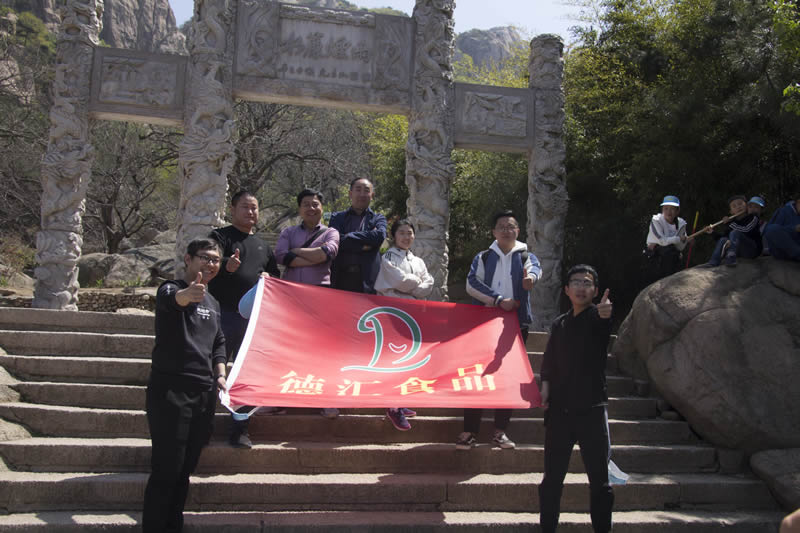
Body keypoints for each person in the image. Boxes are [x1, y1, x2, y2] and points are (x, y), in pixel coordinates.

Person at [142, 239, 227, 533]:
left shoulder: (214, 303)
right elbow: (172, 300)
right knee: (167, 469)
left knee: (185, 470)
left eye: (215, 260)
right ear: (188, 259)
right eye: (205, 257)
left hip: (204, 392)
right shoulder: (170, 288)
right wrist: (187, 295)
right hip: (170, 390)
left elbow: (218, 342)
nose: (211, 264)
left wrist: (220, 374)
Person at [538, 264, 614, 533]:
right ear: (567, 290)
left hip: (592, 410)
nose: (581, 287)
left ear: (595, 290)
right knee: (551, 480)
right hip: (560, 412)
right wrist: (545, 387)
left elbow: (604, 325)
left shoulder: (597, 317)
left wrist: (606, 314)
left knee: (600, 482)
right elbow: (549, 361)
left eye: (587, 282)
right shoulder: (559, 323)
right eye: (576, 282)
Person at [458, 210, 542, 450]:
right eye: (502, 226)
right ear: (494, 232)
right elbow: (472, 283)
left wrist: (530, 279)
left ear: (518, 231)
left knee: (509, 377)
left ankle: (500, 431)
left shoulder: (526, 256)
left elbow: (536, 270)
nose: (507, 230)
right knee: (476, 374)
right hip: (484, 323)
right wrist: (498, 300)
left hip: (516, 324)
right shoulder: (484, 257)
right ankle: (469, 431)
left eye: (511, 226)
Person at [208, 190, 280, 449]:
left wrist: (270, 279)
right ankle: (202, 423)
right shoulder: (219, 237)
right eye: (245, 207)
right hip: (222, 313)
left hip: (252, 320)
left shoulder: (263, 245)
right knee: (212, 369)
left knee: (246, 374)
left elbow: (275, 276)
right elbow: (207, 263)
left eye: (254, 208)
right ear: (232, 209)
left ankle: (240, 429)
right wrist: (225, 264)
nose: (251, 212)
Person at [274, 188, 340, 418]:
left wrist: (296, 253)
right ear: (299, 208)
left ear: (322, 207)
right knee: (289, 347)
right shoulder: (288, 231)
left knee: (321, 349)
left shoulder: (331, 232)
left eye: (315, 204)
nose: (311, 208)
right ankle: (281, 398)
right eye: (306, 204)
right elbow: (281, 256)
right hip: (291, 296)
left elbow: (327, 254)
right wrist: (313, 257)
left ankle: (325, 399)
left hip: (320, 296)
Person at [374, 219, 434, 431]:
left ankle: (401, 400)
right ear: (394, 236)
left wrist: (415, 286)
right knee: (393, 358)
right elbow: (400, 281)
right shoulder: (389, 257)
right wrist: (417, 285)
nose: (406, 237)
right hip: (393, 311)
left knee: (409, 357)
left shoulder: (418, 260)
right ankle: (392, 405)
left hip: (414, 311)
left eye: (409, 233)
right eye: (401, 233)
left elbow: (429, 283)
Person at [329, 177, 387, 294]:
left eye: (366, 190)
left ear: (372, 195)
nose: (362, 194)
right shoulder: (337, 217)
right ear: (350, 194)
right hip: (341, 278)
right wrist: (363, 245)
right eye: (358, 189)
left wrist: (348, 236)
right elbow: (337, 241)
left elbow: (379, 236)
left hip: (369, 280)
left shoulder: (378, 218)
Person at [702, 195, 762, 267]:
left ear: (746, 205)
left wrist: (729, 223)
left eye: (740, 204)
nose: (738, 207)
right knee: (723, 239)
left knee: (735, 232)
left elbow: (746, 230)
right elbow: (724, 239)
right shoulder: (733, 222)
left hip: (752, 250)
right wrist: (712, 232)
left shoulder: (753, 217)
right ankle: (713, 261)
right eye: (734, 206)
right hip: (740, 252)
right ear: (731, 212)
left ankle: (731, 257)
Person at [643, 195, 689, 285]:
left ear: (677, 211)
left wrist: (688, 240)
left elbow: (683, 240)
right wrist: (679, 239)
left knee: (674, 254)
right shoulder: (656, 220)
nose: (669, 211)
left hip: (673, 254)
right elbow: (662, 241)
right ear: (662, 209)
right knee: (668, 251)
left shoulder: (681, 223)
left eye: (672, 209)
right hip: (655, 255)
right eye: (666, 208)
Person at [763, 195, 800, 262]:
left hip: (796, 248)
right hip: (781, 251)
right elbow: (771, 231)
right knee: (772, 229)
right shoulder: (783, 211)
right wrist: (794, 229)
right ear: (798, 202)